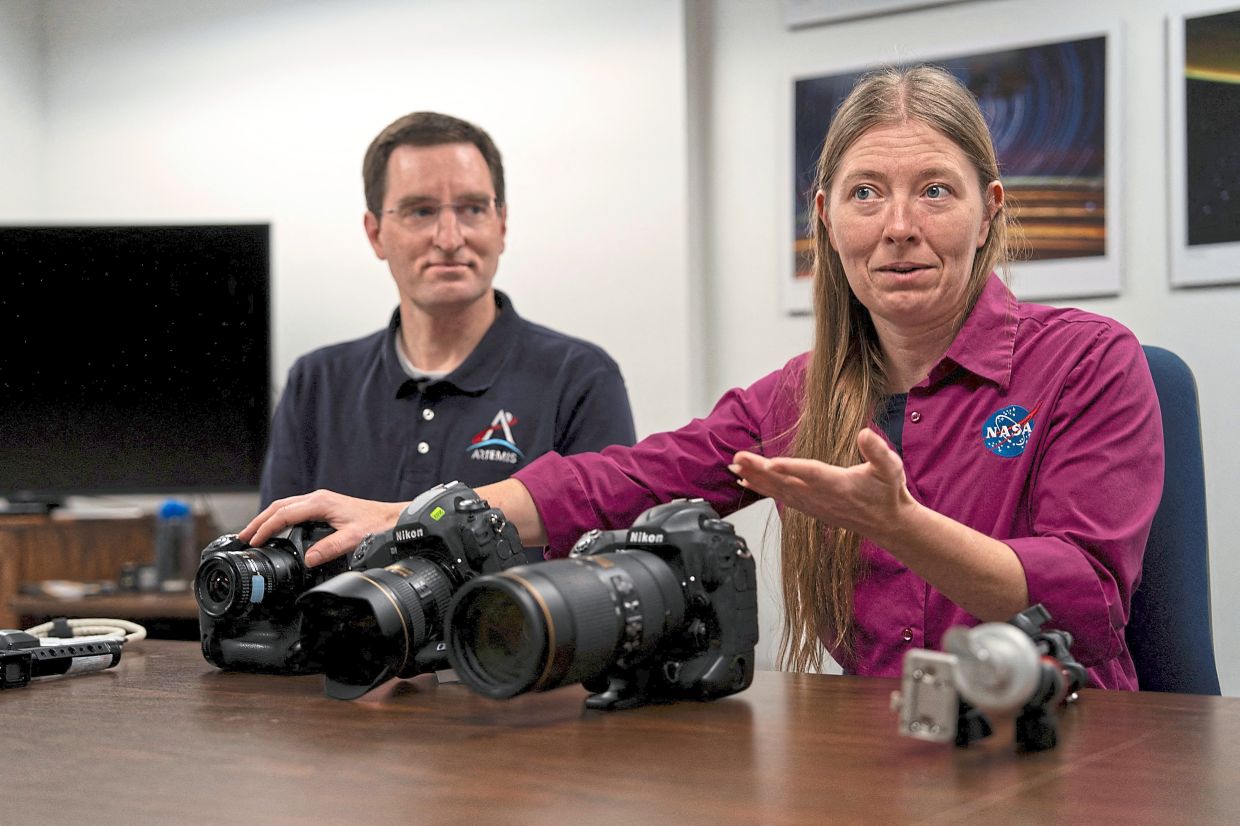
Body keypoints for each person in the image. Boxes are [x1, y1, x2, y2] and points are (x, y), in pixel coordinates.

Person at [242, 68, 1163, 689]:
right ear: (826, 218)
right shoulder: (798, 400)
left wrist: (903, 527)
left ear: (987, 208)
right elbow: (623, 478)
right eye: (866, 193)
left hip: (1061, 745)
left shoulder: (1089, 362)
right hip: (878, 752)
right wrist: (424, 515)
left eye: (935, 190)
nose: (898, 226)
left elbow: (1085, 595)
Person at [259, 112, 637, 561]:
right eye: (421, 211)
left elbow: (610, 567)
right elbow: (276, 561)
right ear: (376, 233)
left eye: (473, 209)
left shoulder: (579, 378)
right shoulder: (316, 382)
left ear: (502, 224)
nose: (450, 237)